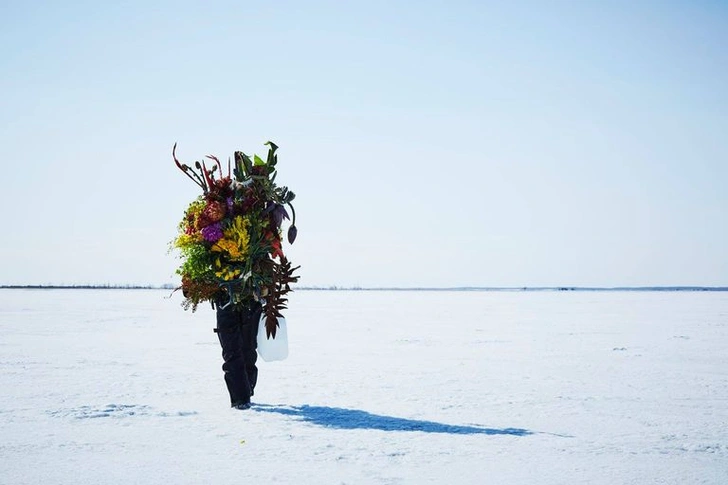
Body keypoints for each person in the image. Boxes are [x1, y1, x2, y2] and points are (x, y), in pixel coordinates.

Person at [214, 297, 262, 410]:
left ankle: (244, 394)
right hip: (225, 300)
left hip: (250, 299)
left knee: (247, 348)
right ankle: (241, 397)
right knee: (233, 351)